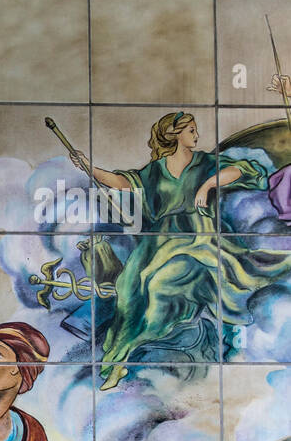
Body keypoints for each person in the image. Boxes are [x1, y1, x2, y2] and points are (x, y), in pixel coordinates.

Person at [70, 110, 291, 388]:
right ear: (175, 135)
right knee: (129, 290)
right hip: (160, 240)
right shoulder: (155, 170)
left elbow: (244, 170)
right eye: (191, 131)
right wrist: (89, 168)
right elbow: (123, 182)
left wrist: (209, 185)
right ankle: (119, 359)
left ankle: (131, 351)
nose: (196, 135)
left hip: (198, 236)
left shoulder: (204, 163)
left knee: (159, 285)